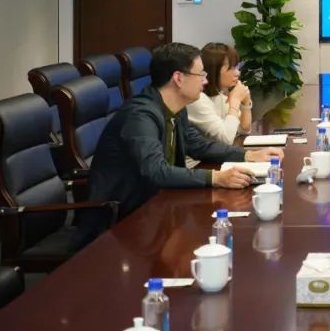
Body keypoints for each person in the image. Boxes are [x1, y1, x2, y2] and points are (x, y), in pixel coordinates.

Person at [77, 42, 284, 245]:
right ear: (178, 78)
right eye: (201, 75)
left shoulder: (175, 107)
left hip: (158, 207)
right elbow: (156, 171)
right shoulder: (140, 116)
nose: (205, 81)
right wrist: (216, 177)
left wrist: (248, 155)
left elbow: (198, 145)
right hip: (122, 222)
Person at [184, 42, 253, 168]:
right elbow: (227, 139)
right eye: (231, 68)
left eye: (237, 67)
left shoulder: (218, 95)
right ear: (213, 71)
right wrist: (235, 101)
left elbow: (243, 129)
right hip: (196, 166)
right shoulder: (197, 99)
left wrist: (246, 102)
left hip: (214, 159)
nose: (237, 73)